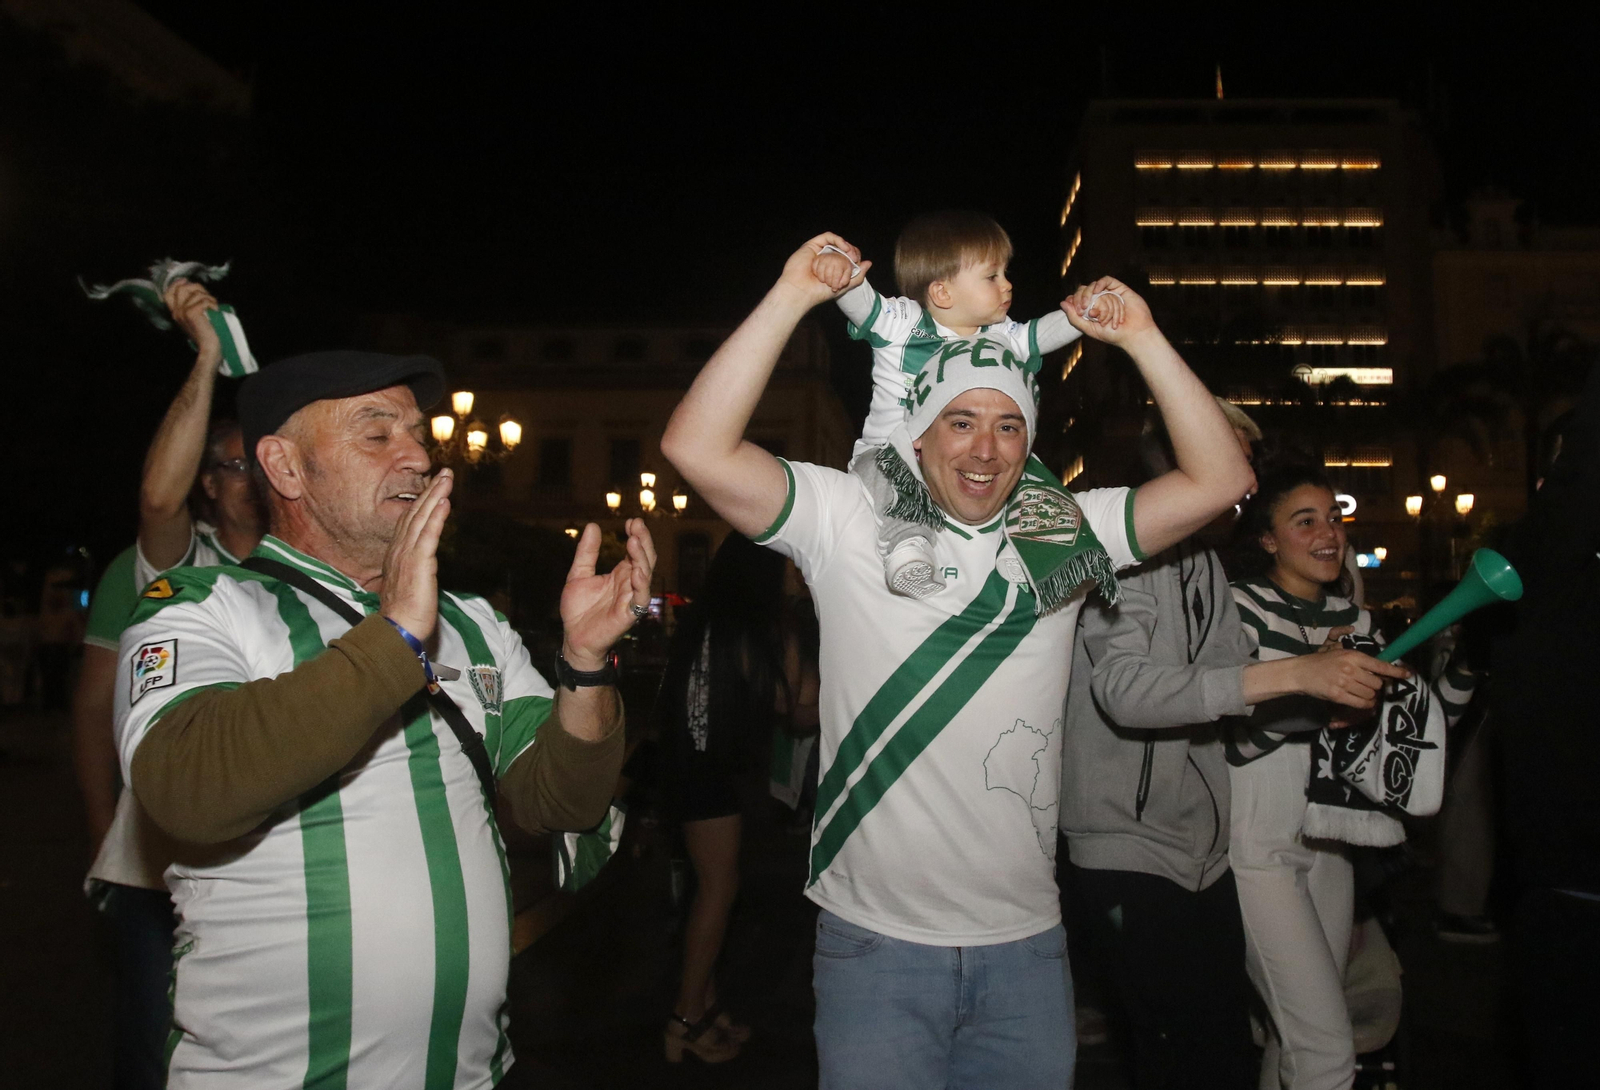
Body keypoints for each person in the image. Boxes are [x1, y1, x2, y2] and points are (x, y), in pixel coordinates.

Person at [662, 233, 1254, 1088]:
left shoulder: (1062, 532)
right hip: (875, 946)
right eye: (962, 422)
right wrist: (794, 295)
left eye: (1009, 425)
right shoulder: (847, 517)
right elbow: (696, 447)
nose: (986, 449)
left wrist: (1144, 339)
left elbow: (1220, 477)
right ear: (920, 431)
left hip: (1026, 948)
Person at [113, 350, 652, 1089]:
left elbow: (563, 799)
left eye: (417, 433)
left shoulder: (475, 624)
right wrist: (394, 636)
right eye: (377, 435)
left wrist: (585, 664)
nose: (419, 455)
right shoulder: (200, 603)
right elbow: (186, 787)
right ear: (286, 467)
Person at [1059, 415, 1407, 1090]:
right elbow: (1124, 689)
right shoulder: (1128, 552)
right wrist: (1296, 676)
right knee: (1191, 1057)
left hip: (1204, 852)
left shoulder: (1208, 567)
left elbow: (1227, 705)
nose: (1245, 479)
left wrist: (1325, 691)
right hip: (1132, 848)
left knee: (1235, 1049)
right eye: (1235, 460)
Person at [75, 278, 267, 1090]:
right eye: (230, 465)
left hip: (265, 861)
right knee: (156, 1042)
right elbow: (91, 712)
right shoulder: (178, 565)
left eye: (257, 457)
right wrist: (210, 357)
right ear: (209, 487)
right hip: (162, 862)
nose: (249, 475)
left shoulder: (309, 575)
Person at [1228, 464, 1469, 1090]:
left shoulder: (1356, 620)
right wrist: (1317, 690)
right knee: (1328, 1050)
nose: (1327, 533)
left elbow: (1403, 733)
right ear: (1268, 539)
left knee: (1298, 1040)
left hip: (1332, 840)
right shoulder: (1239, 606)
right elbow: (1231, 734)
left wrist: (1450, 679)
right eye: (1304, 521)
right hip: (1260, 841)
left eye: (1334, 518)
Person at [819, 211, 1087, 598]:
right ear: (942, 292)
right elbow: (861, 302)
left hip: (959, 458)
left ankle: (1028, 545)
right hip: (892, 451)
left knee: (1028, 470)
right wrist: (839, 267)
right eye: (992, 276)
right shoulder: (902, 322)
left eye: (1005, 273)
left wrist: (1086, 311)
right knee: (890, 478)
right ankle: (907, 546)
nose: (1008, 285)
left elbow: (1045, 332)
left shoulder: (1000, 336)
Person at [657, 532, 819, 1062]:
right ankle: (685, 1020)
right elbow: (797, 709)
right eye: (791, 565)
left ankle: (704, 1002)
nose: (798, 573)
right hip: (718, 776)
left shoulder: (706, 622)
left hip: (688, 768)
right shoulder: (767, 630)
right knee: (718, 891)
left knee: (710, 892)